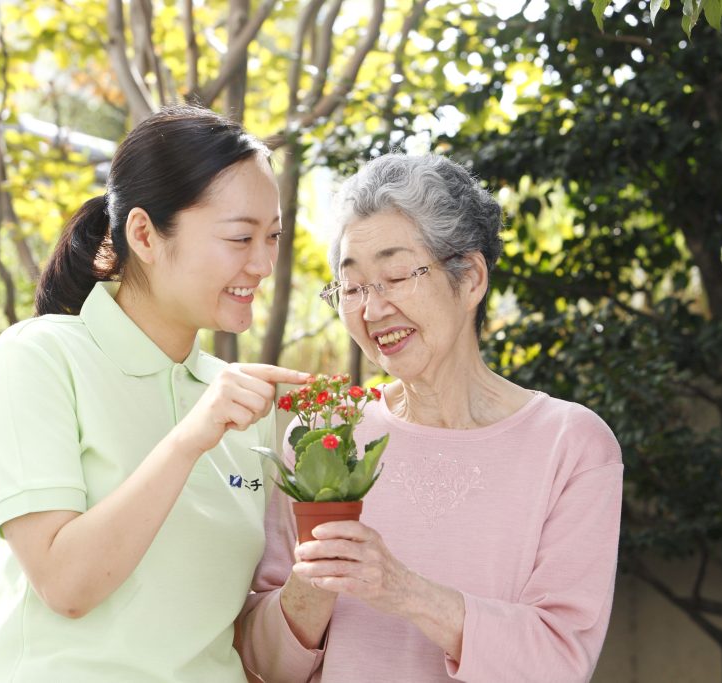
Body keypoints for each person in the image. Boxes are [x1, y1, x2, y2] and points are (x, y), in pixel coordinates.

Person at [238, 154, 623, 682]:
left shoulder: (570, 445)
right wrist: (312, 587)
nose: (372, 311)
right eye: (351, 289)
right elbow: (265, 667)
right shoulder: (325, 437)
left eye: (395, 276)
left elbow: (560, 662)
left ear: (469, 280)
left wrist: (404, 591)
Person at [0, 105, 310, 682]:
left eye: (273, 236)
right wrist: (188, 441)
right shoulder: (39, 357)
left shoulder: (237, 402)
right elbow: (65, 584)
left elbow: (235, 635)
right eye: (240, 237)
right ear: (144, 234)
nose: (262, 263)